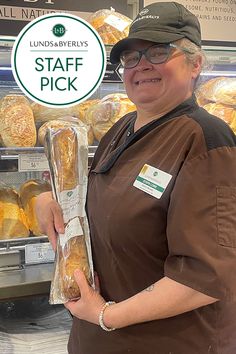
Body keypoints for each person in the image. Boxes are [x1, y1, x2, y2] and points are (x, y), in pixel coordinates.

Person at [35, 2, 236, 353]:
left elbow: (204, 277)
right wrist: (49, 198)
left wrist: (106, 315)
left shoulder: (205, 140)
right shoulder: (122, 127)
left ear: (195, 63)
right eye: (131, 58)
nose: (141, 66)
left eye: (158, 53)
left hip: (166, 343)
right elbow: (98, 198)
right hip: (99, 338)